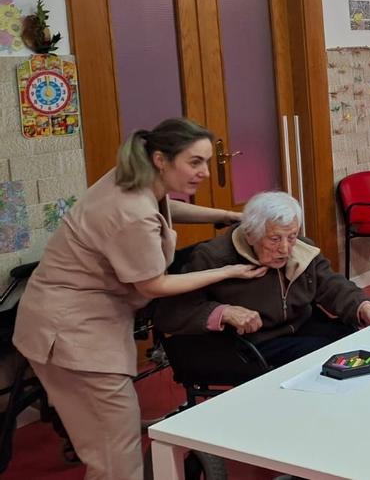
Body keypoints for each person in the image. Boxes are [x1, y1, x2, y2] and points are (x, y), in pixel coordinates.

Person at [12, 118, 266, 480]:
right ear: (161, 159)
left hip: (71, 319)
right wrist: (230, 272)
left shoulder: (135, 177)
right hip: (71, 333)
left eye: (207, 162)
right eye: (195, 162)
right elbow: (154, 286)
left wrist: (228, 216)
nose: (206, 172)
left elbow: (166, 207)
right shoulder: (130, 212)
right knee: (116, 456)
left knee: (114, 442)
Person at [154, 192, 370, 366]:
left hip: (302, 326)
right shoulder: (214, 258)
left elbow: (331, 283)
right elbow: (171, 313)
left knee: (359, 346)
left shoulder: (301, 249)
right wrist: (223, 312)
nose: (285, 249)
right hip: (252, 343)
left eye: (292, 236)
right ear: (250, 234)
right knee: (326, 358)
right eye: (275, 239)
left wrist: (361, 305)